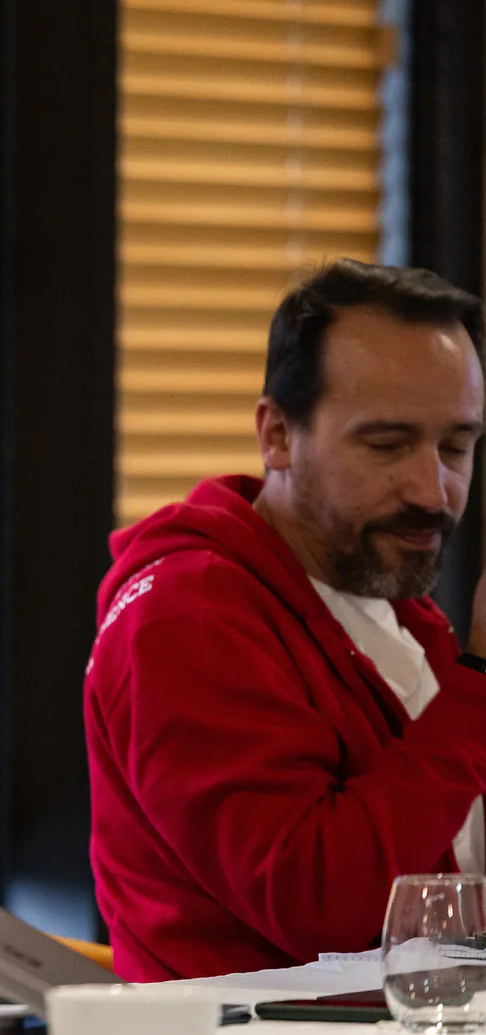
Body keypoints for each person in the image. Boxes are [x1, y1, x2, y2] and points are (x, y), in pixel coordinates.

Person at [85, 259, 486, 981]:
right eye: (388, 445)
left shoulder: (376, 588)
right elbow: (319, 902)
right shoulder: (189, 616)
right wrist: (480, 685)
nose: (434, 489)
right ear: (276, 435)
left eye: (456, 446)